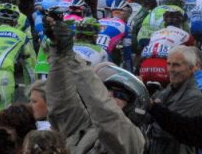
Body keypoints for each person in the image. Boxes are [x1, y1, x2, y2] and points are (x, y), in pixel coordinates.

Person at [45, 17, 147, 153]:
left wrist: (71, 56)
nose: (109, 96)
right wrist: (58, 53)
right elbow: (60, 104)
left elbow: (108, 116)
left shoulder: (134, 139)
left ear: (135, 107)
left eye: (120, 94)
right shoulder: (83, 126)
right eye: (106, 90)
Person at [147, 45, 202, 154]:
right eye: (168, 64)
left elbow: (165, 131)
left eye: (176, 65)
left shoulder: (194, 97)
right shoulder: (170, 88)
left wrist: (152, 114)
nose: (170, 69)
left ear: (192, 68)